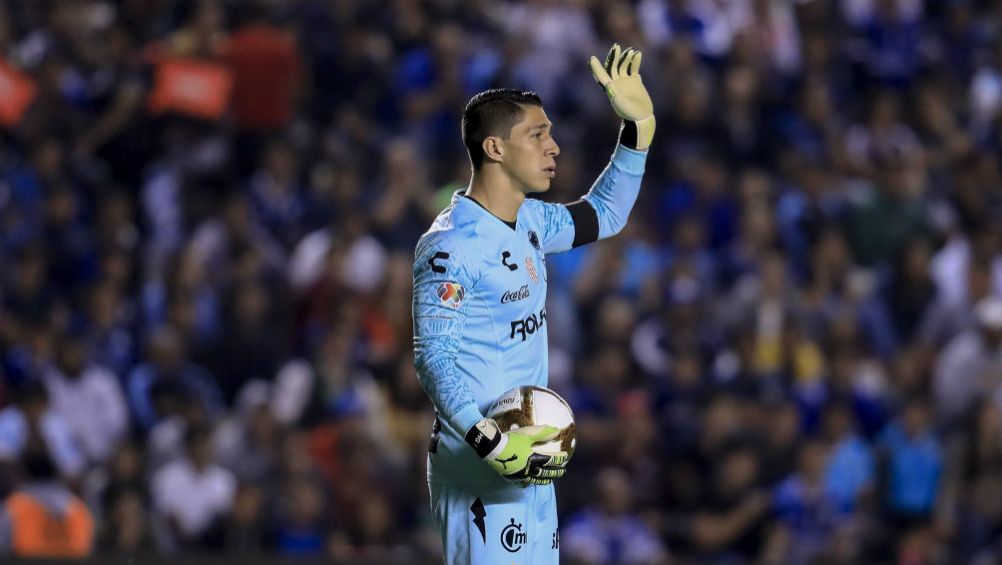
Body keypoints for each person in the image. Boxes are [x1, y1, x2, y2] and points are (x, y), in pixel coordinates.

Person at [411, 44, 655, 564]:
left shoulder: (530, 222)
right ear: (495, 148)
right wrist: (488, 442)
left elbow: (604, 215)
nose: (555, 148)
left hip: (529, 454)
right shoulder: (449, 247)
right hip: (480, 461)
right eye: (538, 135)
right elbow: (434, 358)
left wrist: (638, 130)